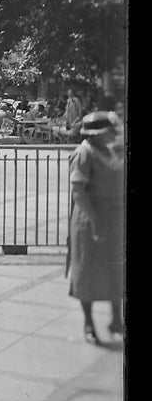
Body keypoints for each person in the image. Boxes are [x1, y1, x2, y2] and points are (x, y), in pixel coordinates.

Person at [66, 112, 125, 344]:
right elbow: (78, 191)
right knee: (87, 271)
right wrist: (94, 220)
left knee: (114, 269)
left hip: (112, 219)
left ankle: (116, 319)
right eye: (108, 131)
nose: (112, 135)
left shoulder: (109, 151)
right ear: (96, 134)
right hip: (89, 220)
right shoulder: (84, 153)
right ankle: (89, 322)